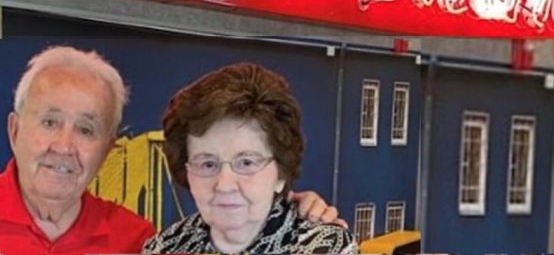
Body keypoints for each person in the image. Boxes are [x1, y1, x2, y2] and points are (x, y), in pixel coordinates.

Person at [0, 46, 342, 255]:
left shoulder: (137, 240)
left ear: (107, 150)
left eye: (86, 130)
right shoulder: (168, 245)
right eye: (49, 122)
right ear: (14, 130)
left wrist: (290, 208)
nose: (64, 146)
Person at [143, 63, 358, 254]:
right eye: (208, 164)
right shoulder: (165, 246)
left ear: (280, 173)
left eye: (246, 162)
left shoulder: (324, 246)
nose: (224, 185)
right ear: (186, 172)